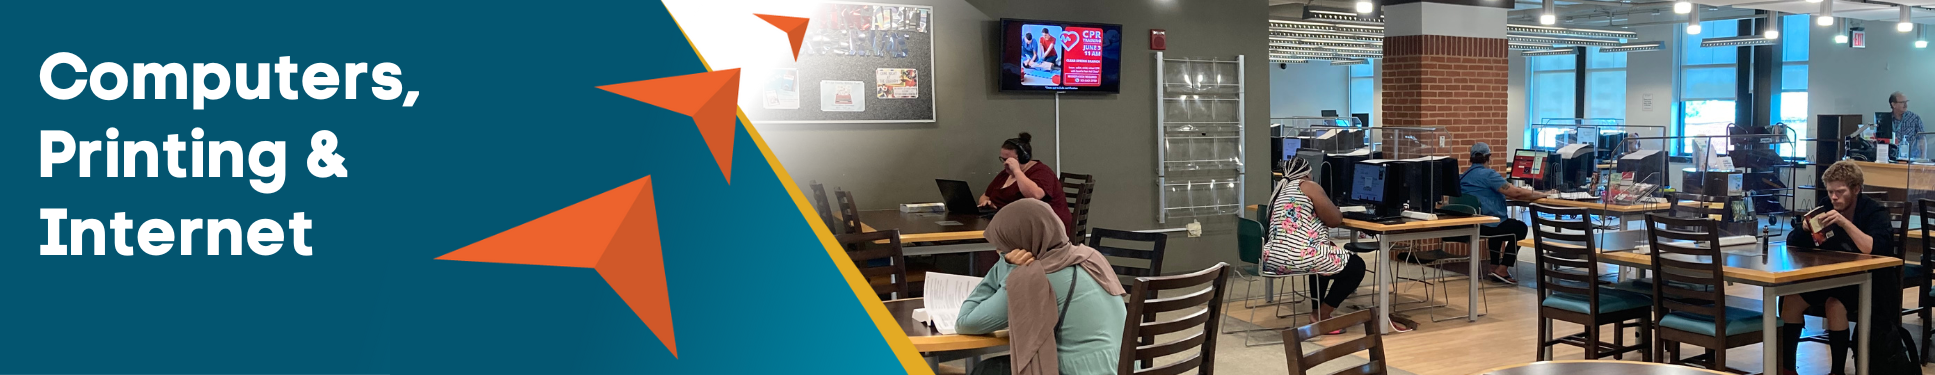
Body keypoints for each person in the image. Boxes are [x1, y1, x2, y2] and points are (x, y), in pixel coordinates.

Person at [957, 199, 1127, 375]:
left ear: (1020, 244)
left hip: (1077, 371)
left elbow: (965, 322)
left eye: (1002, 247)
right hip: (1125, 368)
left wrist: (1006, 265)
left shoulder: (1035, 278)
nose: (998, 252)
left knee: (988, 370)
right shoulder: (1090, 257)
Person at [1775, 161, 1911, 375]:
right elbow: (1793, 243)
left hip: (1870, 281)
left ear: (1856, 189)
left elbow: (1874, 248)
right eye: (1830, 192)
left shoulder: (1874, 213)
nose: (1834, 197)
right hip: (1832, 275)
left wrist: (1844, 223)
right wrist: (1803, 228)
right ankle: (1788, 369)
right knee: (1791, 299)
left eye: (1840, 192)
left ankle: (1837, 371)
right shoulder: (1825, 207)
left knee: (1835, 304)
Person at [1261, 157, 1386, 333]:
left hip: (1272, 257)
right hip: (1298, 256)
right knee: (1356, 267)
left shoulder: (1280, 190)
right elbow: (1335, 220)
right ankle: (1322, 314)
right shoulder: (1309, 186)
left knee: (1324, 256)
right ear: (1306, 174)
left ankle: (1316, 312)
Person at [1458, 142, 1547, 284]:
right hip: (1488, 224)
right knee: (1519, 228)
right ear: (1489, 157)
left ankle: (1494, 266)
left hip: (1474, 223)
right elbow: (1516, 192)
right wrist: (1543, 194)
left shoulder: (1464, 176)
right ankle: (1503, 268)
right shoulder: (1489, 174)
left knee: (1500, 223)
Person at [980, 132, 1075, 238]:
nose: (1005, 164)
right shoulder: (1005, 174)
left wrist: (1016, 171)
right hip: (1008, 224)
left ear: (1023, 158)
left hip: (1043, 228)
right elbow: (985, 195)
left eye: (1010, 160)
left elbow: (1035, 195)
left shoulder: (1042, 172)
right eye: (1003, 159)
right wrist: (986, 202)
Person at [1888, 92, 1924, 161]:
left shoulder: (1914, 118)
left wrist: (1923, 157)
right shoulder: (1886, 119)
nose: (1906, 105)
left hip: (1911, 160)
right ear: (1893, 104)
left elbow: (1922, 138)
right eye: (1902, 102)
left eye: (1906, 102)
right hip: (1891, 159)